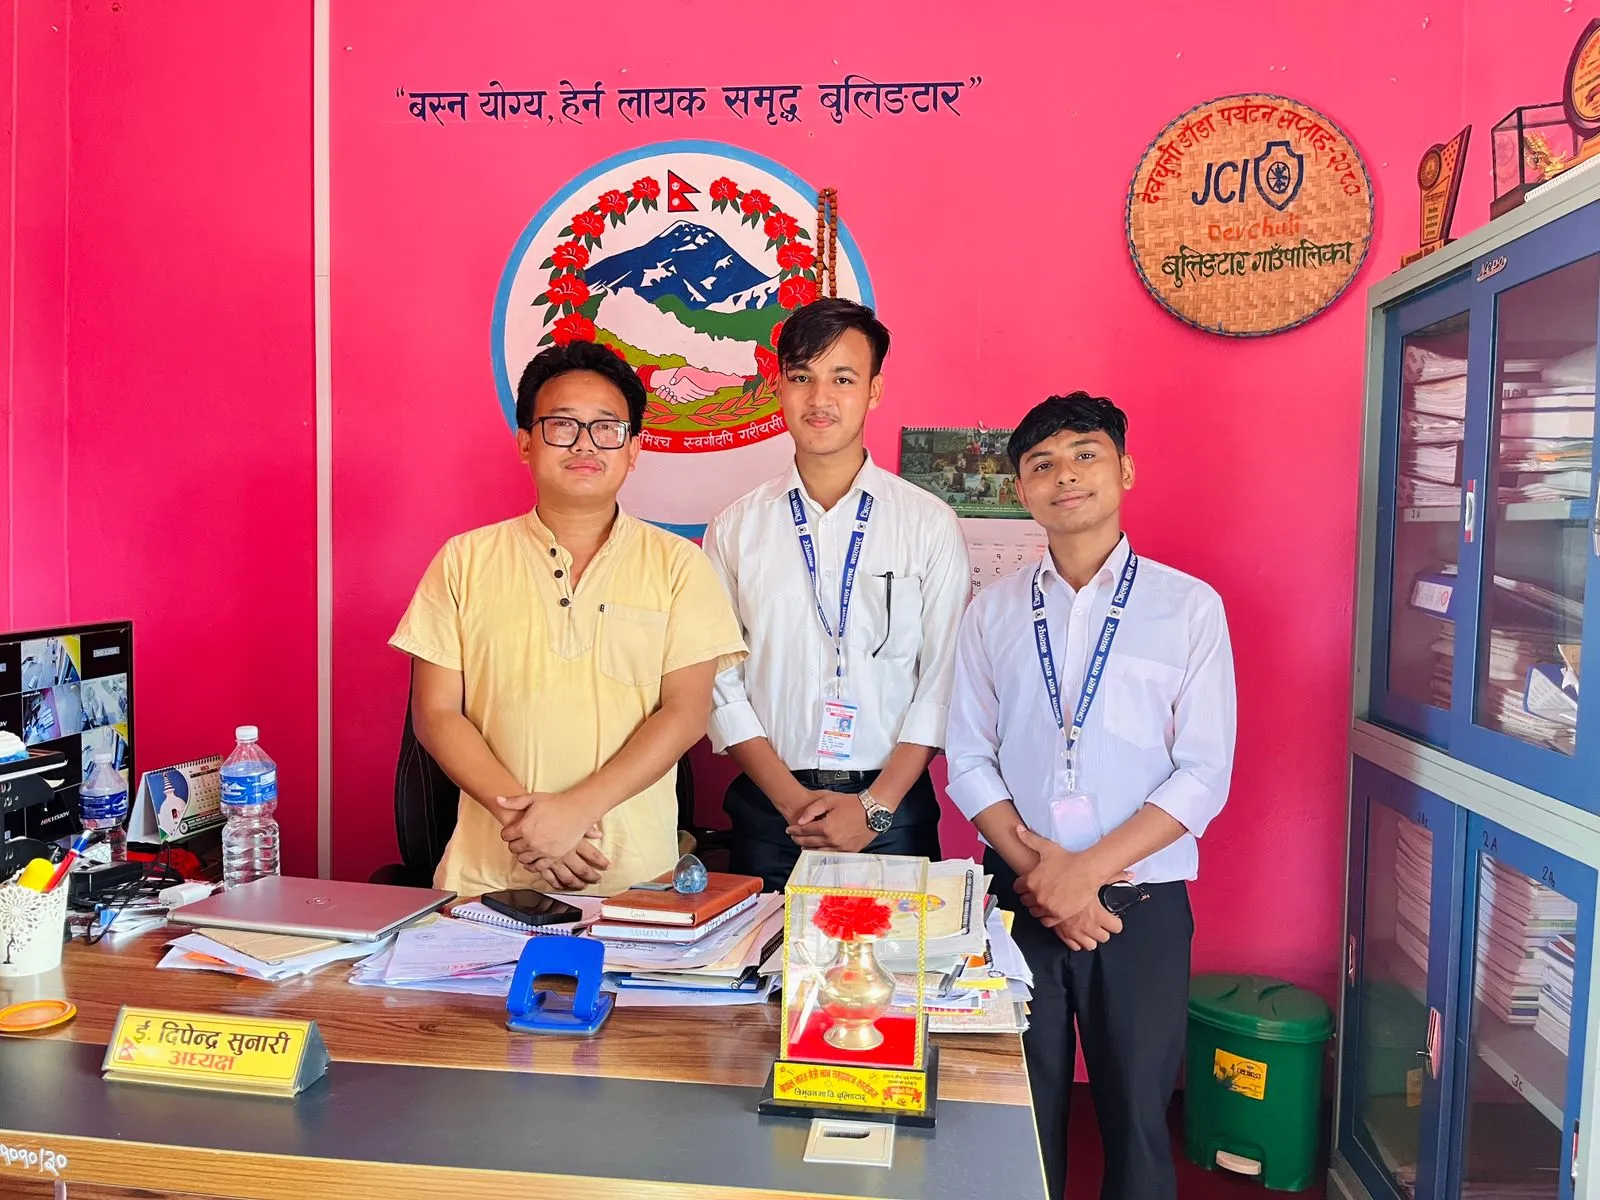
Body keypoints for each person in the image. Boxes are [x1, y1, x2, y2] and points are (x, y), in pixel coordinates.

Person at [945, 393, 1236, 1200]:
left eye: (1085, 454)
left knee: (1139, 1126)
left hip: (1140, 907)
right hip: (1019, 903)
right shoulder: (992, 612)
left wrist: (1082, 875)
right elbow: (968, 760)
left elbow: (1203, 774)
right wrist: (1044, 877)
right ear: (1021, 490)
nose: (1064, 475)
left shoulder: (1188, 607)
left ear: (1124, 470)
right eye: (1041, 464)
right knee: (1014, 1118)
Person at [390, 340, 746, 898]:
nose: (585, 443)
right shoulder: (464, 560)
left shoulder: (680, 566)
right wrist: (528, 825)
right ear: (525, 443)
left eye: (607, 428)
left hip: (632, 882)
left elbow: (686, 712)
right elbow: (436, 715)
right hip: (486, 879)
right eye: (562, 425)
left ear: (633, 449)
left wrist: (576, 811)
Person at [703, 298, 970, 891]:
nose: (819, 398)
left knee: (895, 956)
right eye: (802, 378)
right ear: (778, 387)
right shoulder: (735, 528)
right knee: (764, 955)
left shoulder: (928, 524)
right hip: (771, 814)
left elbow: (942, 677)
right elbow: (721, 681)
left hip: (892, 815)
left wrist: (875, 807)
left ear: (874, 390)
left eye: (842, 379)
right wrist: (792, 802)